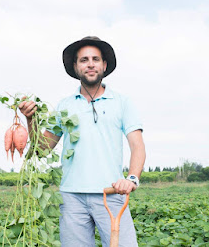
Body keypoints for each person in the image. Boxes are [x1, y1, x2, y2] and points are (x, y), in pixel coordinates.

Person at [19, 36, 146, 246]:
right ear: (76, 67)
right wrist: (30, 119)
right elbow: (41, 149)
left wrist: (131, 179)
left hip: (113, 193)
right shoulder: (64, 106)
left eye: (95, 59)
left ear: (104, 65)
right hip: (72, 197)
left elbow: (138, 146)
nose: (90, 64)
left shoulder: (122, 102)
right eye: (84, 60)